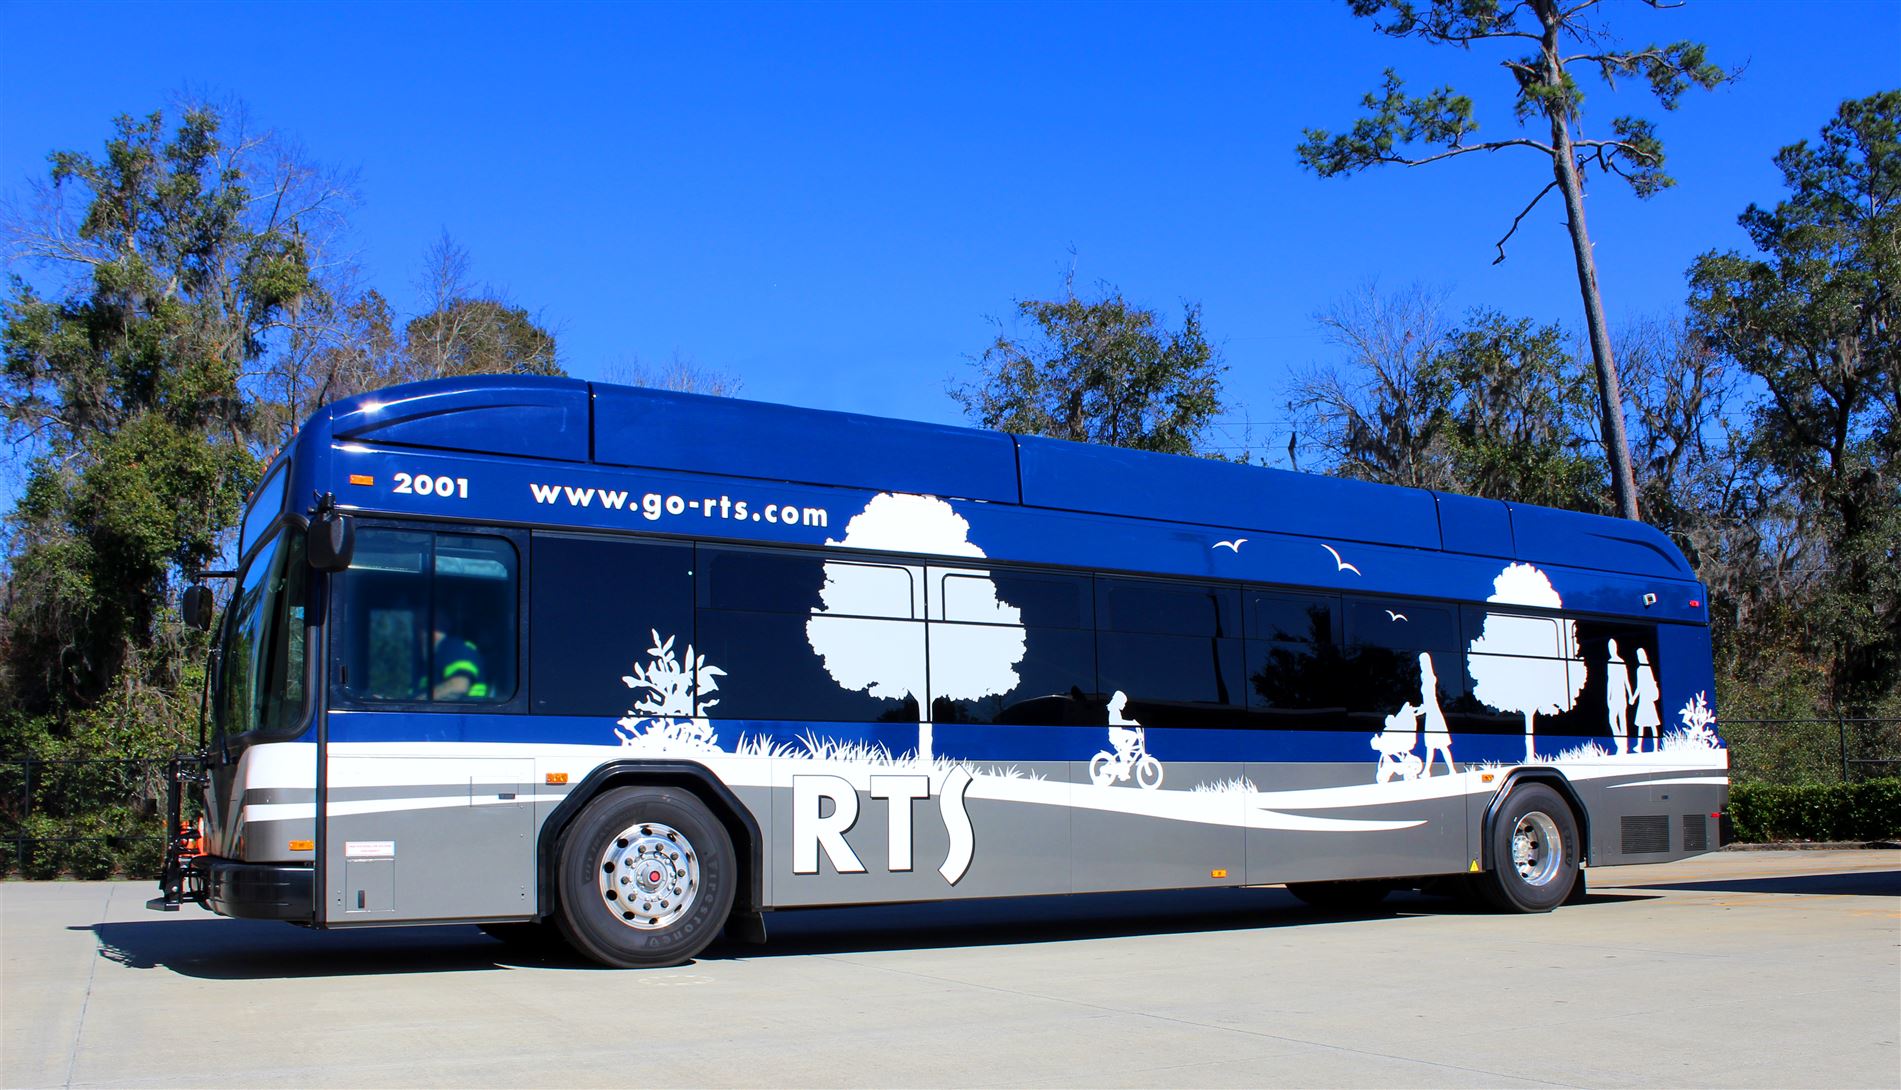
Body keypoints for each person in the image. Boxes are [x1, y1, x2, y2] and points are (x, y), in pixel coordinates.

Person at [431, 612, 488, 700]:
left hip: (468, 711)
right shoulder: (426, 662)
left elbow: (459, 686)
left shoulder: (454, 647)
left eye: (422, 626)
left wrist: (418, 703)